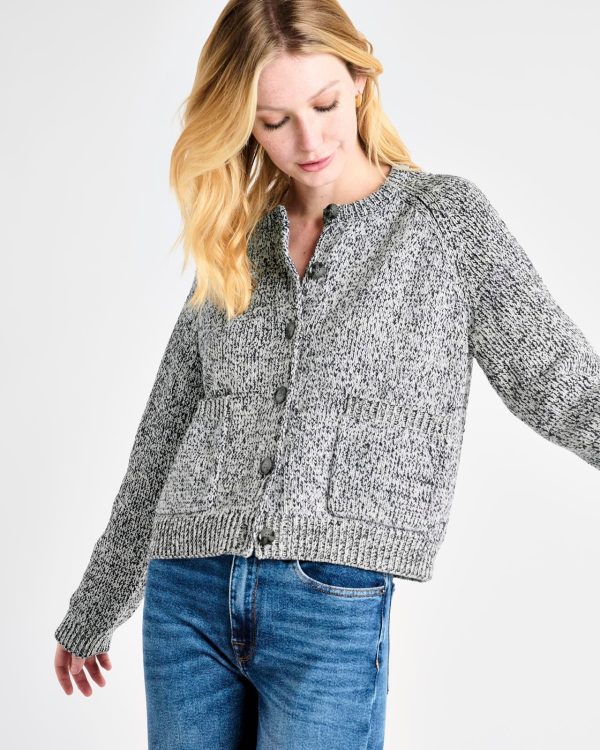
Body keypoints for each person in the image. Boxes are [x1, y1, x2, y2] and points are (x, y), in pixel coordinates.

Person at [53, 1, 600, 748]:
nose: (308, 141)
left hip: (329, 600)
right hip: (186, 591)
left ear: (361, 82)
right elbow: (167, 430)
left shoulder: (443, 224)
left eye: (324, 104)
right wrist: (98, 600)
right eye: (274, 120)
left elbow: (560, 381)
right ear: (244, 123)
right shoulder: (237, 243)